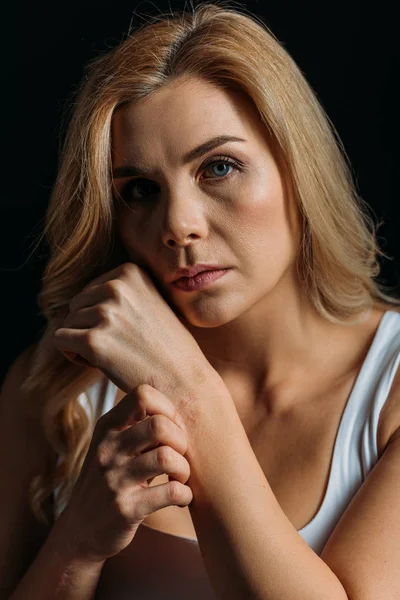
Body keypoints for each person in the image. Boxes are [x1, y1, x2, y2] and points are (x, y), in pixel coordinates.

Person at [2, 2, 400, 599]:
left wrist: (189, 389)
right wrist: (77, 543)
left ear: (298, 171)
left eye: (219, 167)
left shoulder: (389, 388)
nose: (178, 225)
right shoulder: (56, 392)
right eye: (140, 190)